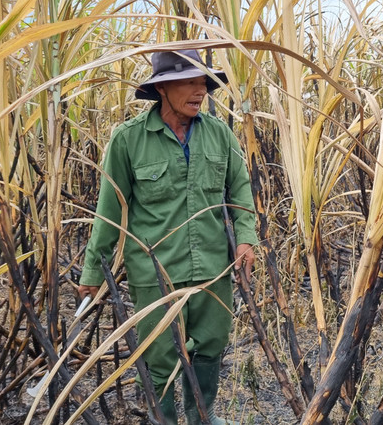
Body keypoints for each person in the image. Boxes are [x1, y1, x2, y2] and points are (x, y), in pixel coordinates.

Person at [77, 49, 258, 425]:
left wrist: (245, 239)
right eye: (189, 82)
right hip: (156, 275)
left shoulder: (220, 134)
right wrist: (93, 275)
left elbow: (239, 191)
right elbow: (110, 212)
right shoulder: (128, 141)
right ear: (162, 88)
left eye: (203, 83)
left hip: (211, 269)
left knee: (209, 351)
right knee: (160, 359)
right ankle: (165, 420)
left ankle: (202, 418)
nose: (200, 91)